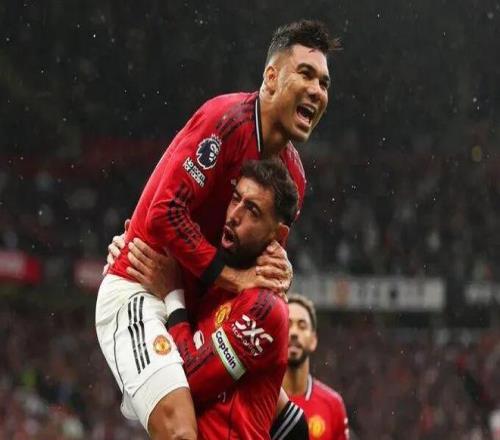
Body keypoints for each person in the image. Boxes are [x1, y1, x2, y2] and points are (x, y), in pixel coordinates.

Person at [97, 19, 334, 439]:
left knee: (290, 422)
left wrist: (279, 270)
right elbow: (164, 214)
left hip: (198, 308)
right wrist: (233, 279)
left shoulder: (293, 179)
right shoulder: (224, 120)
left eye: (324, 82)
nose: (317, 90)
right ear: (271, 77)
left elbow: (260, 263)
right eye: (306, 74)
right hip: (143, 289)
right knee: (182, 432)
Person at [284, 294, 349, 440]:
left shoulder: (333, 405)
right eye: (287, 324)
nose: (294, 333)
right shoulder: (259, 400)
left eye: (302, 326)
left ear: (313, 340)